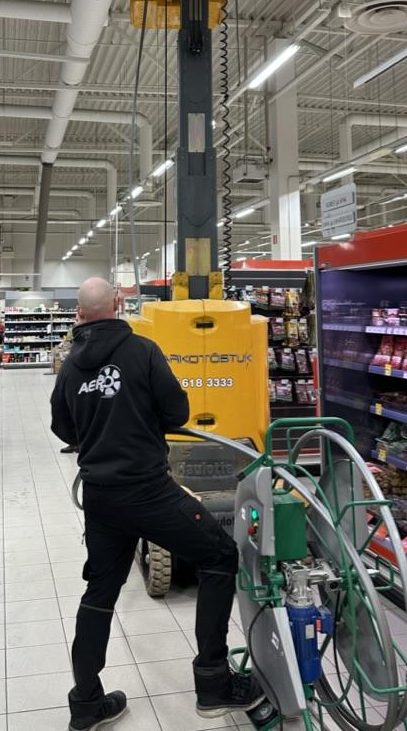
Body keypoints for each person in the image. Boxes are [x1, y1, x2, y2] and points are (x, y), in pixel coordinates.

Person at [50, 277, 263, 731]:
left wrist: (99, 427)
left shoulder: (70, 367)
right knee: (219, 556)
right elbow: (177, 413)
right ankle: (213, 682)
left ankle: (86, 703)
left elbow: (63, 429)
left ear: (80, 313)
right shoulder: (143, 351)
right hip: (148, 491)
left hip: (101, 498)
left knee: (100, 592)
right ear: (118, 304)